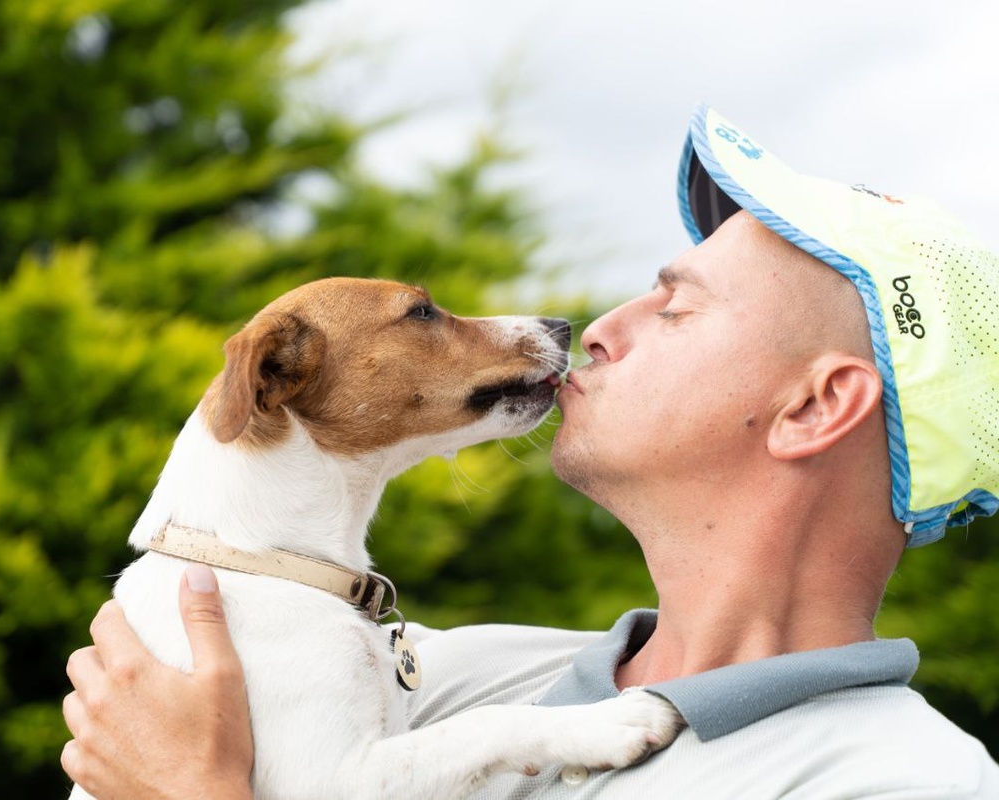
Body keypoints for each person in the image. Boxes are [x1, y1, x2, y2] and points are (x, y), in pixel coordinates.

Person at [61, 105, 999, 798]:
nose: (596, 327)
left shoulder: (901, 781)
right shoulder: (448, 676)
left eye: (675, 307)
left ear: (817, 404)